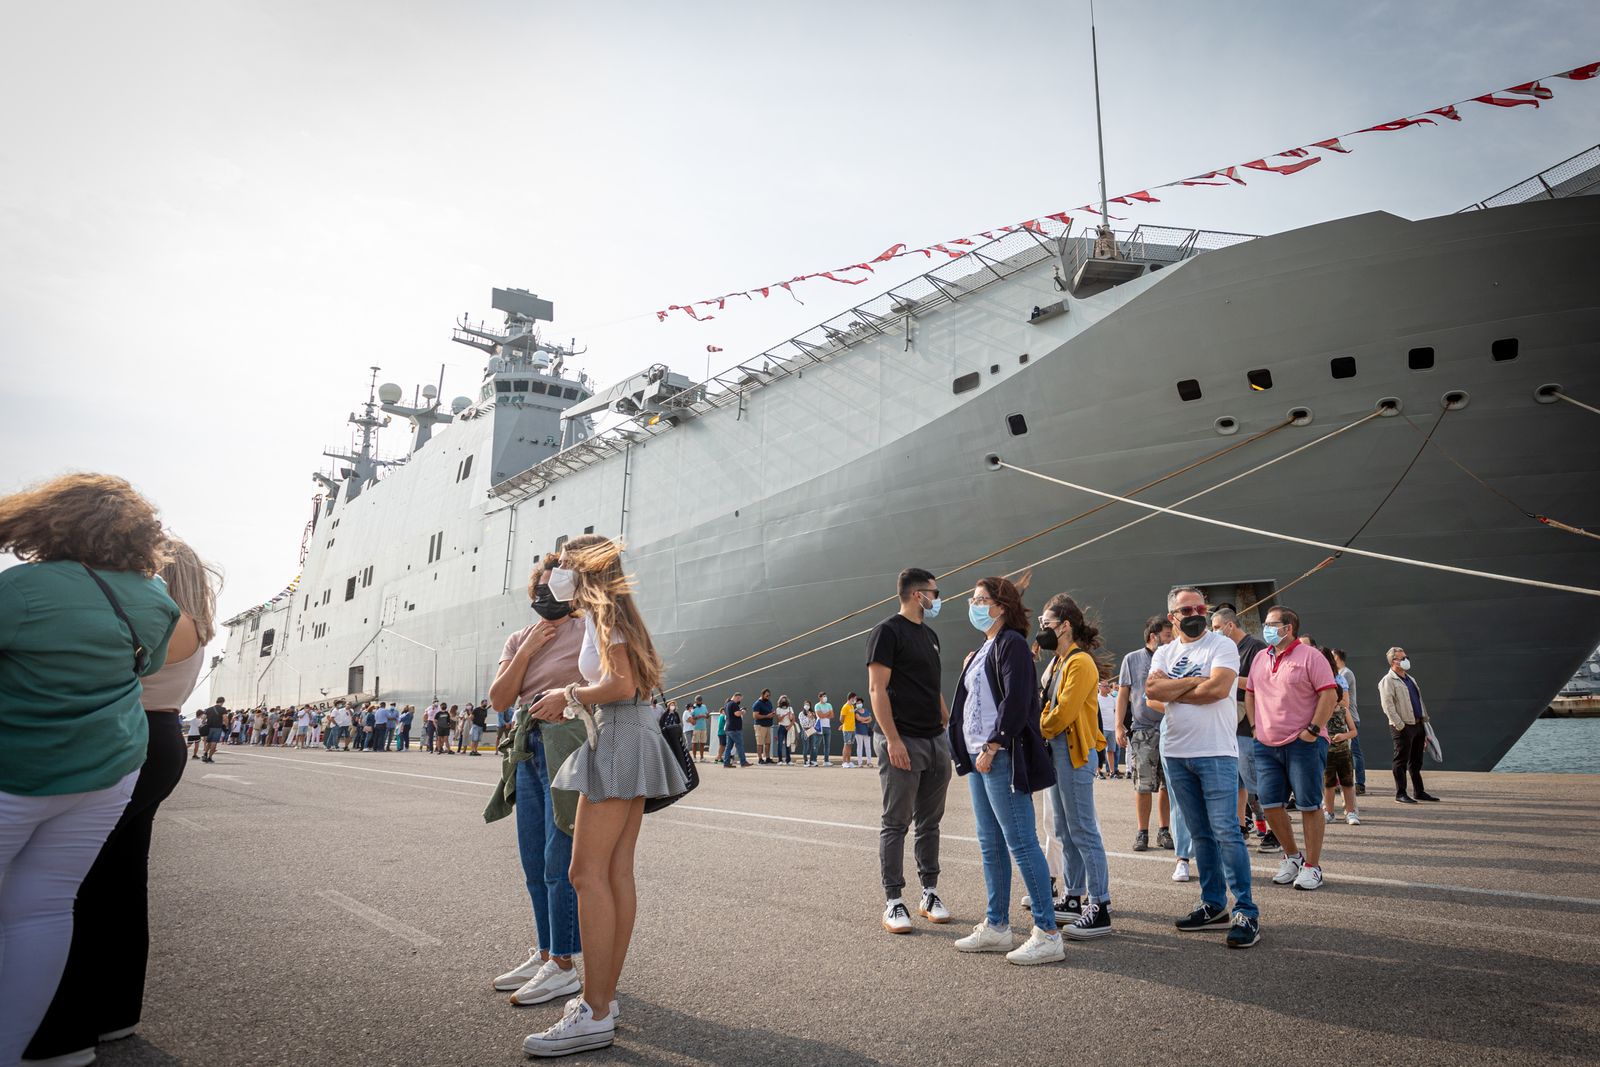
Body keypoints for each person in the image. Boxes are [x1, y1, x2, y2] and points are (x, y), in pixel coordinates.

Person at [0, 474, 181, 1065]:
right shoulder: (157, 600)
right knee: (45, 907)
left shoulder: (23, 587)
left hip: (16, 769)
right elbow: (144, 665)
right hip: (107, 772)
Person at [23, 538, 217, 1063]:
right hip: (166, 739)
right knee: (122, 880)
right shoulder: (194, 627)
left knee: (70, 884)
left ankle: (61, 1030)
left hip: (128, 740)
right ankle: (115, 1010)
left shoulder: (150, 619)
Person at [521, 535, 687, 1057]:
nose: (558, 574)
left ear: (585, 568)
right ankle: (603, 1000)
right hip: (629, 733)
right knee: (615, 873)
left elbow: (620, 684)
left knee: (584, 873)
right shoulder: (616, 613)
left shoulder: (603, 614)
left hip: (616, 733)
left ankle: (593, 1011)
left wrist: (565, 695)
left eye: (566, 565)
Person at [488, 552, 587, 1009]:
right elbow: (499, 699)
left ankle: (564, 963)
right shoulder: (518, 638)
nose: (547, 594)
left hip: (567, 746)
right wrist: (526, 651)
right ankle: (546, 952)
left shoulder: (587, 631)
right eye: (541, 588)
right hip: (526, 750)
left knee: (557, 857)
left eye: (556, 586)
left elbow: (612, 682)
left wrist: (566, 698)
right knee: (532, 858)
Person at [948, 577, 1063, 964]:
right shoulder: (986, 647)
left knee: (1020, 841)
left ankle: (1048, 932)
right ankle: (997, 926)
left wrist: (995, 742)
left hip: (999, 756)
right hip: (981, 758)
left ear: (999, 606)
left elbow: (1017, 699)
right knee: (990, 842)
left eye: (980, 599)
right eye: (973, 598)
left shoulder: (1011, 642)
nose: (973, 604)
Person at [1147, 587, 1257, 949]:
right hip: (1176, 752)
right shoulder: (1164, 650)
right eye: (1186, 609)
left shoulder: (1221, 645)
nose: (1195, 612)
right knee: (1199, 833)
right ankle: (1213, 903)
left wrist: (1175, 688)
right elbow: (1152, 692)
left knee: (1227, 831)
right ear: (1172, 616)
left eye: (1199, 607)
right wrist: (1196, 681)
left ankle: (1245, 909)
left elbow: (1218, 690)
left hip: (1216, 751)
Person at [866, 567, 952, 934]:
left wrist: (947, 726)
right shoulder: (887, 632)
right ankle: (893, 900)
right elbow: (877, 689)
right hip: (904, 741)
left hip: (935, 741)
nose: (938, 598)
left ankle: (929, 893)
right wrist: (893, 740)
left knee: (930, 822)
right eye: (936, 591)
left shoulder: (930, 636)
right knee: (896, 823)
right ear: (920, 595)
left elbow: (932, 686)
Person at [1244, 606, 1337, 892]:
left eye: (1272, 624)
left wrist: (1312, 730)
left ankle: (1313, 866)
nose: (1267, 628)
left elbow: (1329, 694)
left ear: (1288, 628)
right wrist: (1254, 728)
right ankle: (1292, 856)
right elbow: (1250, 692)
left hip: (1303, 743)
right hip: (1266, 744)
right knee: (1270, 804)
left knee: (1309, 804)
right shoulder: (1261, 657)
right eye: (1266, 624)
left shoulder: (1311, 657)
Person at [1037, 593, 1113, 938]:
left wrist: (1034, 724)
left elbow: (1062, 714)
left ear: (1064, 626)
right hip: (1055, 753)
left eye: (1046, 624)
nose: (1042, 629)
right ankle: (1073, 896)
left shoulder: (1080, 663)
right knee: (1065, 831)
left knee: (1083, 829)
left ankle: (1100, 904)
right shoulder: (1057, 662)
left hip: (1074, 753)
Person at [1210, 608, 1273, 849]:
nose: (1215, 632)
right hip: (1229, 724)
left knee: (1256, 781)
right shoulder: (1227, 650)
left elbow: (1262, 682)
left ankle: (1275, 829)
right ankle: (1240, 826)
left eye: (1217, 627)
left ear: (1230, 626)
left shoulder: (1254, 648)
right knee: (1236, 782)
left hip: (1248, 725)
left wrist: (1225, 678)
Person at [1116, 616, 1174, 851]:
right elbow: (1123, 694)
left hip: (1171, 728)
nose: (1172, 639)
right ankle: (1142, 832)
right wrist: (1119, 724)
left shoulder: (1173, 657)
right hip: (1143, 731)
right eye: (1168, 635)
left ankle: (1164, 830)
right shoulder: (1132, 659)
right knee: (1142, 785)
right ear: (1153, 636)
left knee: (1167, 785)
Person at [1378, 647, 1440, 803]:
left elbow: (1419, 701)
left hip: (1418, 724)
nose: (1406, 660)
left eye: (1406, 657)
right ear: (1394, 661)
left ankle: (1419, 791)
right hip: (1403, 726)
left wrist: (1424, 723)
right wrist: (1400, 725)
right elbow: (1388, 707)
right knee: (1401, 760)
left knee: (1416, 760)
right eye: (1402, 658)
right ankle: (1400, 793)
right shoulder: (1387, 681)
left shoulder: (1410, 679)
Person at [1332, 649, 1367, 795]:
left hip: (1349, 717)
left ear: (1337, 657)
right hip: (1344, 718)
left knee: (1355, 753)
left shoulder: (1345, 674)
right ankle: (1341, 782)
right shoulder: (1341, 674)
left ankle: (1359, 783)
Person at [1095, 680, 1119, 778]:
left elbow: (1115, 711)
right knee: (1099, 750)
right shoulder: (1096, 698)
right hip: (1101, 728)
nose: (1108, 688)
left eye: (1108, 686)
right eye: (1105, 686)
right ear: (1099, 687)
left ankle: (1112, 772)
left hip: (1112, 728)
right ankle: (1098, 771)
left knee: (1111, 751)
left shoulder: (1112, 699)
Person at [721, 692, 749, 768]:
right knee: (740, 745)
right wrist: (743, 711)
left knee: (728, 747)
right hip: (734, 729)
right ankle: (743, 762)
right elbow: (737, 714)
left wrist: (740, 710)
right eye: (739, 699)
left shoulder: (727, 704)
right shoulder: (733, 704)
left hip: (729, 728)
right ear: (737, 697)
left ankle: (726, 763)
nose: (740, 700)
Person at [813, 692, 835, 765]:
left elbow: (832, 715)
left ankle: (826, 761)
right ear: (820, 697)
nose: (825, 697)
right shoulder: (817, 705)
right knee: (817, 744)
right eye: (824, 696)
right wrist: (827, 713)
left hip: (827, 727)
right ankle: (814, 760)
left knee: (827, 745)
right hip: (820, 727)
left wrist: (824, 715)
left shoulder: (829, 705)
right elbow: (820, 715)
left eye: (826, 696)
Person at [773, 695, 795, 765]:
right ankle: (780, 760)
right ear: (780, 701)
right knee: (779, 744)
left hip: (788, 727)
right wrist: (785, 715)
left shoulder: (790, 708)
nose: (784, 701)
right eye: (782, 700)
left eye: (785, 700)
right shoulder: (778, 709)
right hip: (781, 727)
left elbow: (793, 719)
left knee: (788, 744)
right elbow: (779, 719)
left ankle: (788, 760)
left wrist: (790, 726)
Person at [853, 698, 875, 768]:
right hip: (858, 731)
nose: (859, 704)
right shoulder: (855, 711)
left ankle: (869, 762)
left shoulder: (866, 710)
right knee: (859, 747)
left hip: (866, 731)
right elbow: (859, 719)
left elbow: (870, 719)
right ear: (856, 704)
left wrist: (865, 721)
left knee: (868, 747)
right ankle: (860, 763)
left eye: (860, 702)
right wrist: (866, 718)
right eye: (857, 703)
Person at [839, 692, 858, 767]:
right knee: (846, 745)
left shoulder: (852, 707)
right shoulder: (845, 707)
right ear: (851, 698)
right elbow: (841, 719)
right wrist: (845, 724)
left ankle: (849, 761)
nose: (855, 700)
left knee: (850, 745)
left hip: (852, 729)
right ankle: (844, 762)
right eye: (855, 698)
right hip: (847, 729)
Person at [688, 696, 709, 762]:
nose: (699, 702)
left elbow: (708, 716)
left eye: (700, 701)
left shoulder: (704, 706)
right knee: (694, 743)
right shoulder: (692, 708)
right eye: (698, 701)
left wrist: (706, 716)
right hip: (696, 727)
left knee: (702, 743)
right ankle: (694, 757)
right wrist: (698, 716)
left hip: (703, 727)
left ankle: (702, 758)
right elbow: (691, 718)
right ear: (695, 701)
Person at [798, 701, 818, 766]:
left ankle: (812, 760)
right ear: (804, 705)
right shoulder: (801, 714)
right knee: (806, 746)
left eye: (808, 705)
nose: (807, 706)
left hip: (812, 729)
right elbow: (803, 724)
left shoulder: (812, 713)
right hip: (805, 730)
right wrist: (808, 717)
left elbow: (814, 723)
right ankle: (805, 761)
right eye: (806, 704)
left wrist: (812, 717)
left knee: (813, 746)